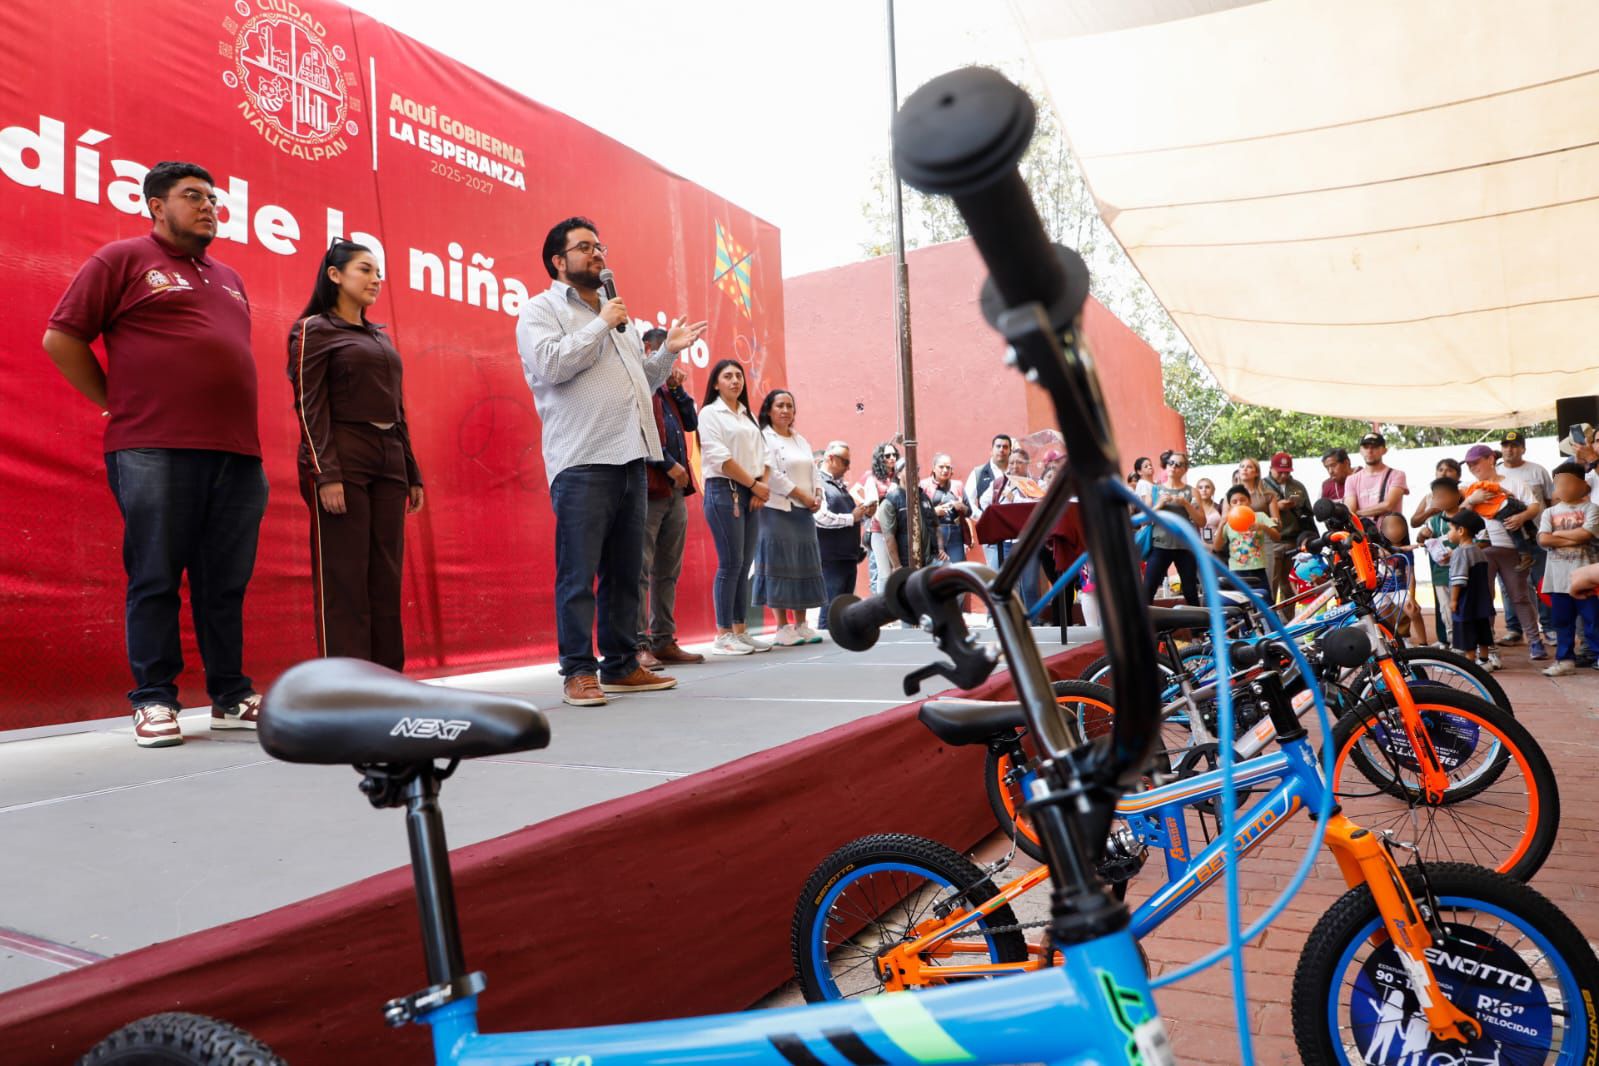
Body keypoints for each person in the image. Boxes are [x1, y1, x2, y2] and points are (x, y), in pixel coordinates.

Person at [42, 161, 268, 747]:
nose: (208, 207)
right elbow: (61, 336)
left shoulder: (230, 277)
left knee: (225, 581)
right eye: (192, 196)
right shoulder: (121, 259)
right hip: (153, 447)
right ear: (154, 206)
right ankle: (154, 700)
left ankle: (229, 694)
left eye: (213, 199)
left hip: (237, 453)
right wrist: (114, 403)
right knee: (156, 574)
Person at [515, 216, 707, 705]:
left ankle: (621, 664)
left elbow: (638, 379)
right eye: (584, 247)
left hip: (632, 458)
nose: (597, 253)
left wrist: (666, 354)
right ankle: (578, 671)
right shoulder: (541, 311)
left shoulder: (615, 315)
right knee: (578, 573)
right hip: (582, 460)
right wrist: (602, 323)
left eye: (599, 245)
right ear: (558, 261)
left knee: (627, 573)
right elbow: (553, 365)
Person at [288, 239, 424, 672]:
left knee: (385, 578)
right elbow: (310, 405)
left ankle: (387, 679)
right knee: (344, 579)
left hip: (389, 460)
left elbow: (397, 406)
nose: (376, 279)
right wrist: (325, 472)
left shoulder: (378, 336)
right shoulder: (314, 328)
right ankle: (344, 685)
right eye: (365, 270)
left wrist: (411, 469)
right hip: (342, 456)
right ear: (335, 275)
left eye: (378, 272)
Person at [636, 329, 704, 670]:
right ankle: (638, 644)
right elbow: (638, 429)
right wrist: (668, 464)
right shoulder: (640, 381)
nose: (672, 361)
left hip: (676, 490)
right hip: (650, 486)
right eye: (668, 352)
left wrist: (678, 389)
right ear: (649, 349)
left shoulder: (667, 387)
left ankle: (664, 639)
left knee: (668, 570)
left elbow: (691, 423)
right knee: (641, 568)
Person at [697, 358, 772, 656]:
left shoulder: (747, 414)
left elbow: (765, 456)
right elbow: (719, 457)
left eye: (738, 376)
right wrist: (754, 486)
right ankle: (723, 633)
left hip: (751, 491)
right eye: (727, 376)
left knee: (743, 565)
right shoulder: (709, 413)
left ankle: (740, 630)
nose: (735, 381)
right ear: (716, 383)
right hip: (724, 490)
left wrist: (759, 487)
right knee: (729, 563)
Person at [752, 389, 827, 646]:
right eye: (779, 405)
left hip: (804, 513)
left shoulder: (800, 439)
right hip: (777, 510)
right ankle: (782, 627)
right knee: (779, 565)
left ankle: (802, 624)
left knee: (803, 565)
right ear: (769, 410)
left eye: (789, 406)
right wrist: (802, 496)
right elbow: (771, 475)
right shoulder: (765, 438)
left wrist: (816, 494)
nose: (785, 410)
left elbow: (813, 470)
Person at [1461, 443, 1548, 660]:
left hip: (1510, 548)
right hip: (1483, 548)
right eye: (1469, 464)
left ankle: (1535, 642)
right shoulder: (1472, 488)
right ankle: (1487, 646)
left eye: (1476, 462)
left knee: (1519, 596)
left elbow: (1534, 505)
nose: (1472, 467)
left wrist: (1522, 517)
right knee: (1484, 598)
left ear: (1491, 459)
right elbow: (1459, 517)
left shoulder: (1513, 482)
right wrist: (1472, 500)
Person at [1535, 462, 1599, 675]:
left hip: (1586, 578)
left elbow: (1587, 535)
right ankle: (1564, 660)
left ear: (1583, 486)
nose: (1562, 488)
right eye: (1558, 483)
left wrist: (1557, 536)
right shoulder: (1549, 512)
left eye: (1568, 483)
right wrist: (1571, 536)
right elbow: (1543, 539)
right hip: (1557, 579)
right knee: (1562, 622)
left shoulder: (1592, 509)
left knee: (1593, 620)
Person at [1494, 429, 1555, 643]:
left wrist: (1550, 528)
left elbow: (1550, 501)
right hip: (1505, 538)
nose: (1510, 449)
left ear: (1523, 449)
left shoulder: (1537, 471)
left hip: (1536, 534)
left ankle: (1549, 627)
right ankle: (1514, 629)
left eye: (1515, 445)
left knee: (1542, 581)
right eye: (1506, 445)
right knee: (1510, 585)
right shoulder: (1495, 473)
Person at [814, 442, 872, 629]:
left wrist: (863, 514)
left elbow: (848, 517)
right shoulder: (819, 484)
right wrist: (851, 517)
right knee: (831, 611)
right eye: (845, 462)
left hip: (846, 556)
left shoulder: (838, 486)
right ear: (831, 458)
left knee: (842, 609)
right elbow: (820, 518)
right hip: (832, 557)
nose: (849, 467)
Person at [1413, 464, 1465, 648]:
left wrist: (1457, 552)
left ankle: (1475, 649)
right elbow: (1421, 540)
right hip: (1441, 575)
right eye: (1436, 497)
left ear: (1457, 495)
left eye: (1444, 496)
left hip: (1466, 574)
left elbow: (1481, 542)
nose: (1439, 500)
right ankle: (1453, 646)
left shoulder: (1467, 517)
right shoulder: (1434, 521)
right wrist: (1422, 535)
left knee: (1465, 609)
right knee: (1446, 611)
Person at [1143, 451, 1204, 605]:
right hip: (1160, 545)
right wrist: (1159, 505)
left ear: (1185, 469)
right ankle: (1145, 627)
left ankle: (1199, 629)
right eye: (1171, 463)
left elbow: (1202, 521)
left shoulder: (1191, 491)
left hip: (1184, 547)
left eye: (1178, 464)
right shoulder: (1155, 490)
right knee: (1148, 588)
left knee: (1190, 590)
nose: (1173, 467)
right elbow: (1144, 519)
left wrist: (1186, 504)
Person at [1445, 510, 1500, 671]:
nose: (1449, 533)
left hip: (1466, 600)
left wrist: (1454, 600)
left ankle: (1470, 664)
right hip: (1481, 600)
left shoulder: (1460, 553)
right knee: (1482, 629)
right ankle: (1484, 660)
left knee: (1467, 631)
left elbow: (1459, 580)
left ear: (1461, 531)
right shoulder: (1478, 551)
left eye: (1451, 529)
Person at [1212, 483, 1279, 595]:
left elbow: (1277, 537)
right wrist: (1221, 525)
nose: (1239, 503)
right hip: (1236, 570)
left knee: (1265, 601)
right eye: (1234, 502)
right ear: (1229, 505)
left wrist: (1263, 527)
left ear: (1249, 501)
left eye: (1242, 500)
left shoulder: (1260, 516)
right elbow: (1217, 547)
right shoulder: (1228, 521)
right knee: (1241, 601)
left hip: (1258, 568)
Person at [1264, 451, 1311, 602]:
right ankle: (1269, 620)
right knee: (1271, 583)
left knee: (1289, 585)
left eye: (1287, 472)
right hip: (1272, 541)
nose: (1283, 475)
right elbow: (1255, 512)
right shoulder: (1261, 486)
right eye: (1280, 472)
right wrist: (1276, 507)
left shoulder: (1298, 486)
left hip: (1293, 540)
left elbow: (1309, 512)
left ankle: (1288, 621)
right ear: (1271, 468)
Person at [878, 459, 941, 570]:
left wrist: (941, 549)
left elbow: (936, 526)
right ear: (898, 474)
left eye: (916, 470)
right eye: (910, 469)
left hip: (931, 560)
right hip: (908, 563)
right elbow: (889, 537)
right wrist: (897, 566)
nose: (914, 473)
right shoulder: (891, 502)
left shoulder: (924, 497)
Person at [1375, 514, 1428, 642]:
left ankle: (1424, 644)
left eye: (1398, 525)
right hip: (1380, 591)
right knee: (1384, 620)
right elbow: (1383, 553)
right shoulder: (1377, 548)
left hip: (1398, 589)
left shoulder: (1408, 552)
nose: (1393, 529)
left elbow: (1410, 574)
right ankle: (1393, 645)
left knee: (1414, 612)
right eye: (1389, 526)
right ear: (1382, 530)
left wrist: (1412, 598)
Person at [965, 434, 1013, 569]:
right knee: (995, 575)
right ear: (991, 450)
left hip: (1013, 533)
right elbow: (967, 501)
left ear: (1010, 451)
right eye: (998, 446)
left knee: (1014, 578)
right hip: (991, 533)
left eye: (1005, 447)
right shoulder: (979, 473)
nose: (1001, 450)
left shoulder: (1015, 470)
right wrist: (982, 518)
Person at [858, 441, 900, 592]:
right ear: (880, 458)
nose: (892, 458)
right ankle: (881, 609)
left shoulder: (899, 476)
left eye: (894, 454)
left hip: (899, 529)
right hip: (879, 529)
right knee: (884, 573)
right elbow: (861, 496)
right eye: (887, 455)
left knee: (898, 570)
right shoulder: (873, 477)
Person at [1344, 433, 1408, 520]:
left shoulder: (1397, 475)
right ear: (1360, 451)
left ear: (1384, 450)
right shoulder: (1351, 479)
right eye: (1366, 447)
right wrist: (1355, 513)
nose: (1369, 451)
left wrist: (1358, 513)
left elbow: (1388, 505)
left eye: (1374, 447)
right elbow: (1350, 511)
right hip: (1362, 532)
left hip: (1389, 532)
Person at [922, 453, 971, 563]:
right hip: (933, 533)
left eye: (948, 467)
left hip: (955, 533)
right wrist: (934, 512)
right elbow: (917, 514)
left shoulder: (957, 485)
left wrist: (962, 507)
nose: (945, 470)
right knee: (936, 572)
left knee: (958, 570)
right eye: (941, 467)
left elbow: (969, 512)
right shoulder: (924, 486)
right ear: (934, 468)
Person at [1194, 478, 1224, 548]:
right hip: (1198, 548)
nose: (1204, 490)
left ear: (1213, 490)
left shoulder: (1220, 508)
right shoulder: (1193, 508)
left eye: (1207, 487)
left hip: (1217, 549)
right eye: (1200, 488)